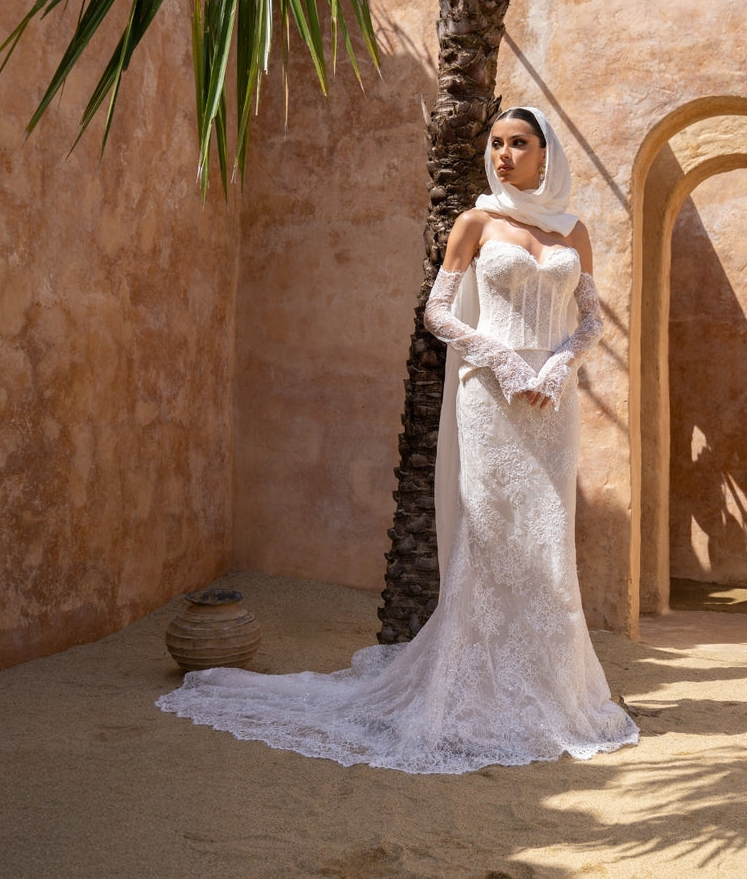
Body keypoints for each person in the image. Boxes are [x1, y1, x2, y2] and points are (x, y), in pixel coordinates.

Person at [157, 107, 638, 774]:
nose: (501, 154)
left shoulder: (571, 231)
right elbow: (437, 312)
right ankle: (466, 695)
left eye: (517, 143)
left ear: (545, 154)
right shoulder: (475, 222)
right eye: (495, 143)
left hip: (549, 404)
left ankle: (549, 690)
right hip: (490, 397)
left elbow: (589, 321)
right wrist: (501, 360)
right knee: (486, 535)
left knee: (545, 539)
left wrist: (557, 366)